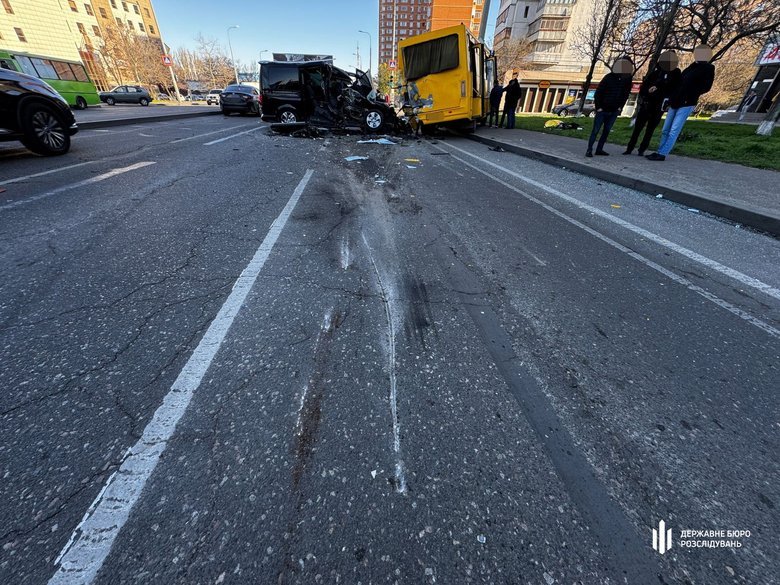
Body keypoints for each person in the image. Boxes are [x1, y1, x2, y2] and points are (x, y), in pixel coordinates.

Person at [647, 45, 715, 161]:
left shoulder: (708, 68)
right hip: (675, 101)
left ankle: (663, 153)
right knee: (665, 129)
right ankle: (659, 151)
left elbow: (706, 87)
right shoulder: (691, 67)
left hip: (687, 102)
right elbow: (678, 84)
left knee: (674, 130)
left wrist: (691, 93)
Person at [623, 51, 681, 156]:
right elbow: (644, 86)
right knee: (637, 129)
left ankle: (642, 149)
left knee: (650, 130)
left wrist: (659, 88)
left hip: (658, 107)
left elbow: (673, 88)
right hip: (647, 104)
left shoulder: (676, 74)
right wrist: (647, 91)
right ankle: (630, 148)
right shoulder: (656, 72)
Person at [586, 57, 634, 157]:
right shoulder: (609, 77)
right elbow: (598, 92)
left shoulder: (627, 79)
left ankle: (599, 149)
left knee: (606, 131)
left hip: (614, 110)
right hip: (602, 109)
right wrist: (598, 107)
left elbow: (625, 94)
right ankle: (589, 150)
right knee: (596, 130)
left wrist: (620, 107)